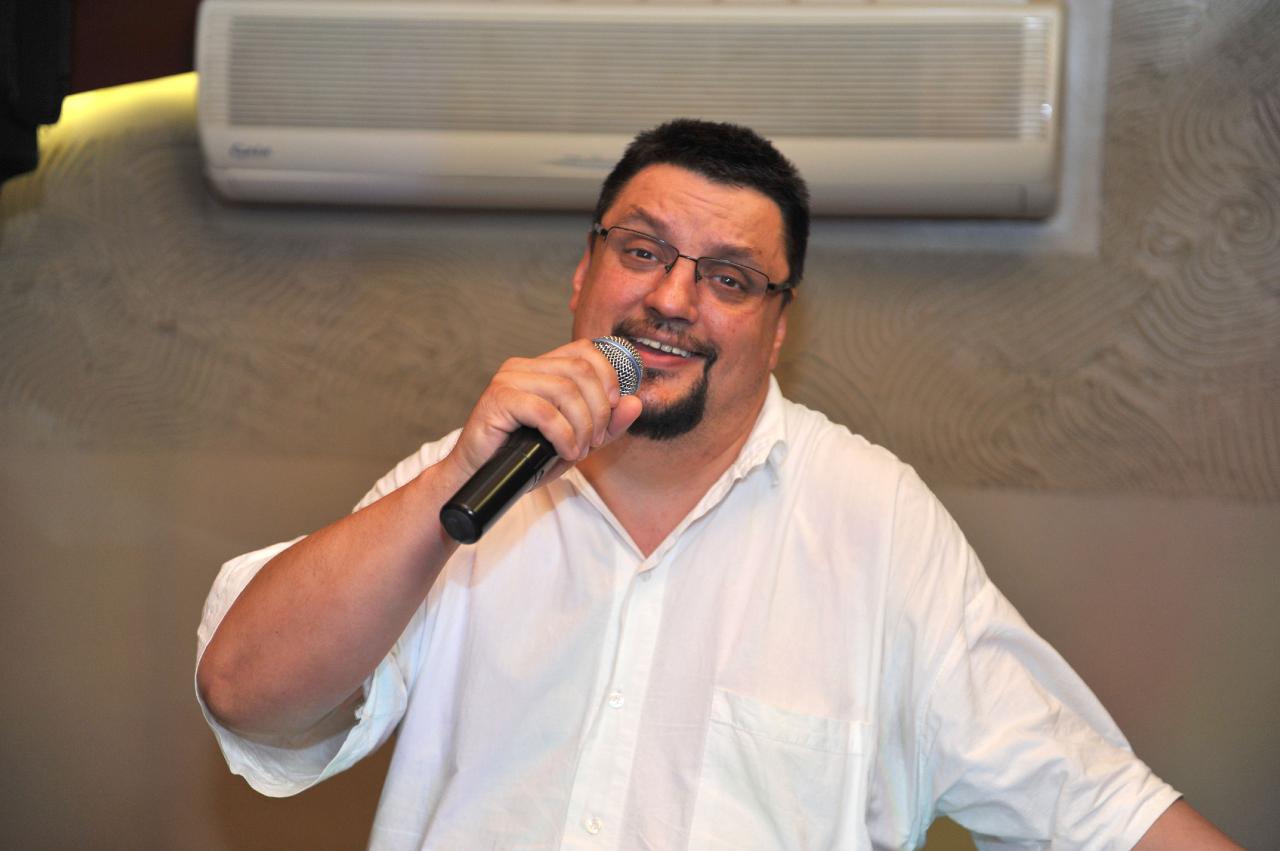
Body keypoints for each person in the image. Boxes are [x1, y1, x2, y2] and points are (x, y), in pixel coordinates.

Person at [196, 119, 1239, 850]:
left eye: (728, 277)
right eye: (642, 250)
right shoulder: (467, 475)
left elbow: (1093, 808)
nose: (671, 298)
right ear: (583, 273)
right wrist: (456, 480)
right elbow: (246, 693)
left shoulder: (873, 521)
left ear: (779, 329)